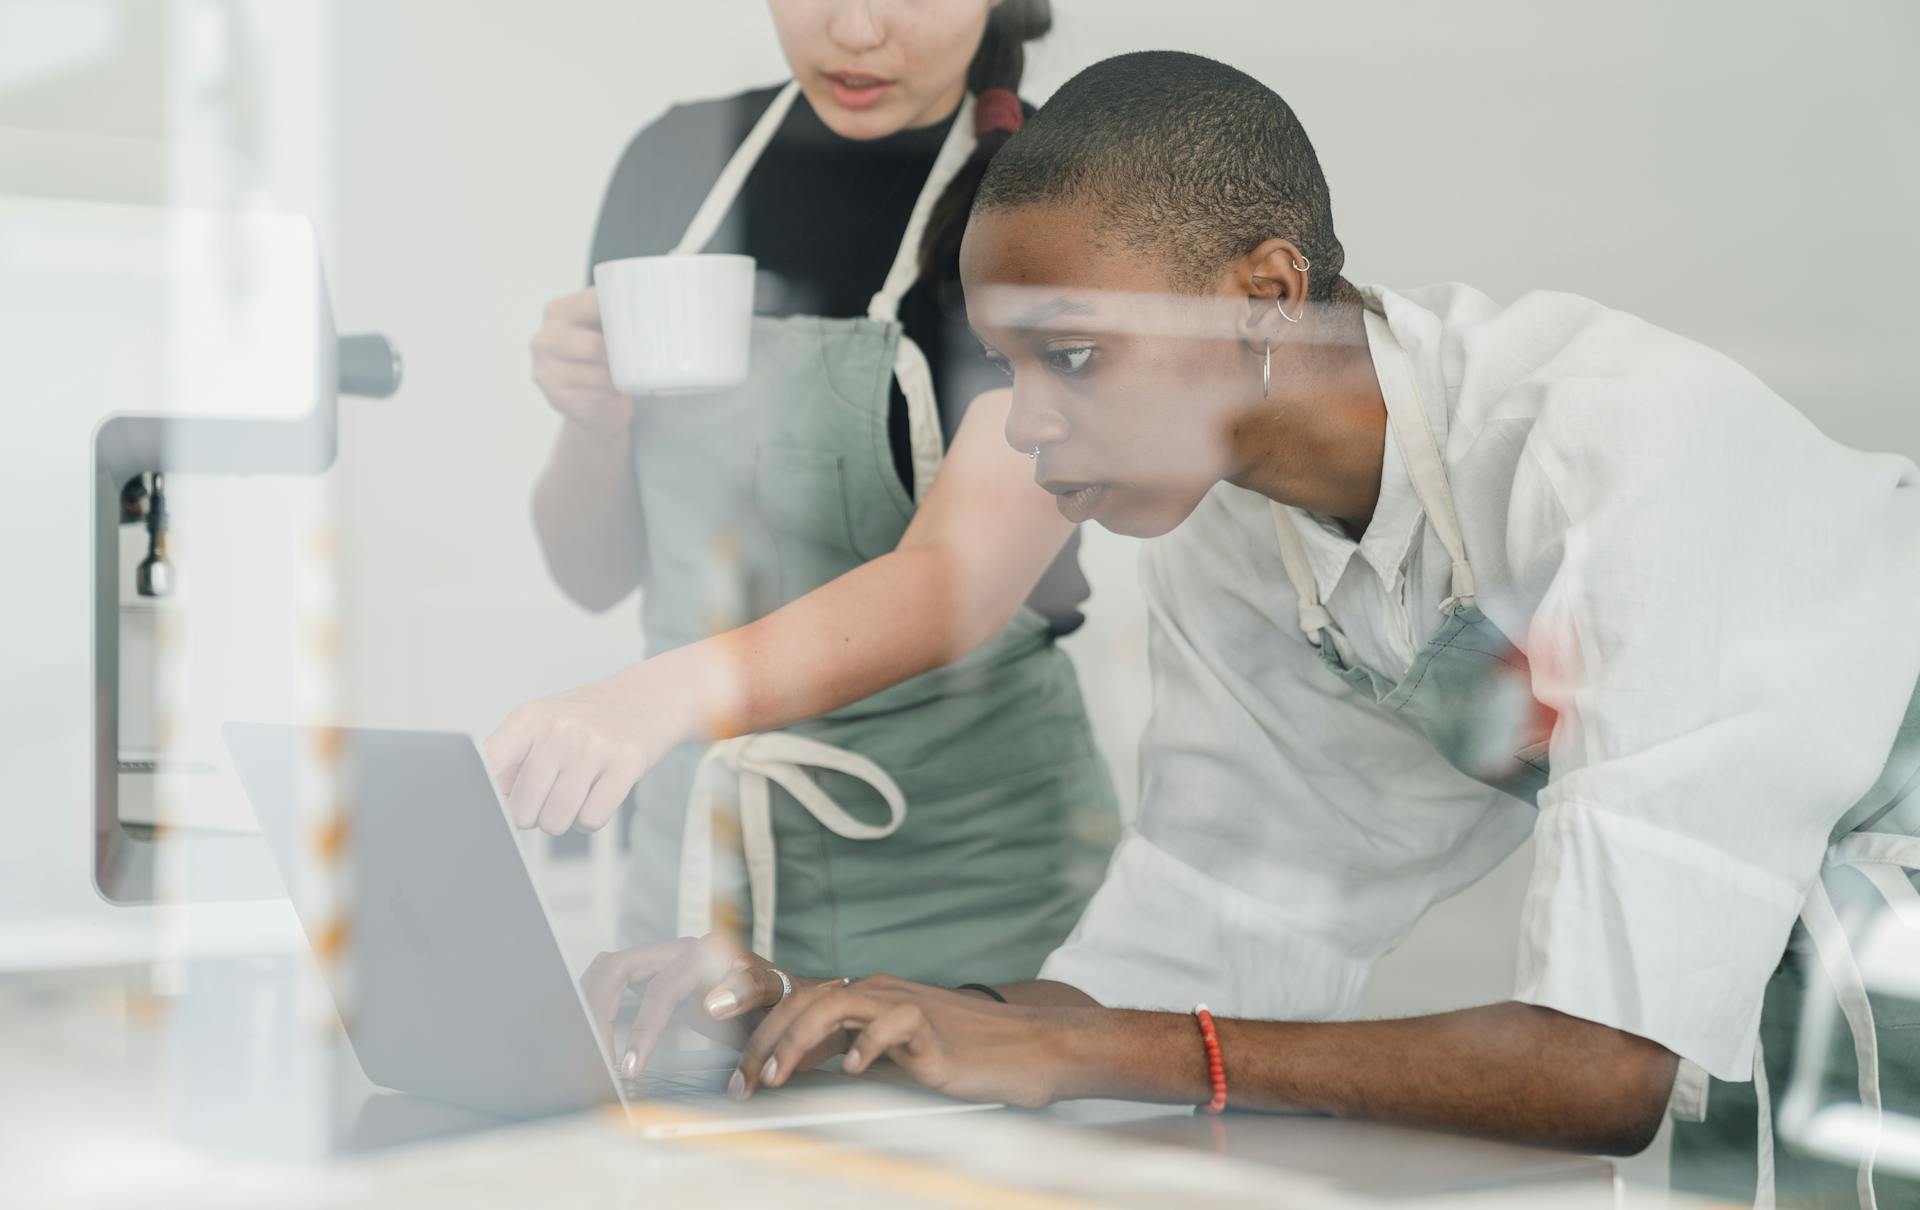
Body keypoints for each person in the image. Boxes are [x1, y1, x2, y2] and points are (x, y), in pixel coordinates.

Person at [579, 51, 1920, 1208]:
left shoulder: (1619, 450)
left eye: (1078, 354)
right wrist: (848, 1014)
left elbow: (1603, 1066)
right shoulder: (1244, 537)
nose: (1027, 422)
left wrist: (1093, 1053)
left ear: (1265, 300)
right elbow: (1192, 949)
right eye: (1009, 364)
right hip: (1787, 993)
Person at [487, 0, 1118, 987]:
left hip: (967, 899)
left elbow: (956, 579)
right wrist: (591, 418)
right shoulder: (678, 164)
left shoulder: (1056, 201)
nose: (855, 31)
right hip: (700, 884)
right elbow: (591, 572)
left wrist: (654, 699)